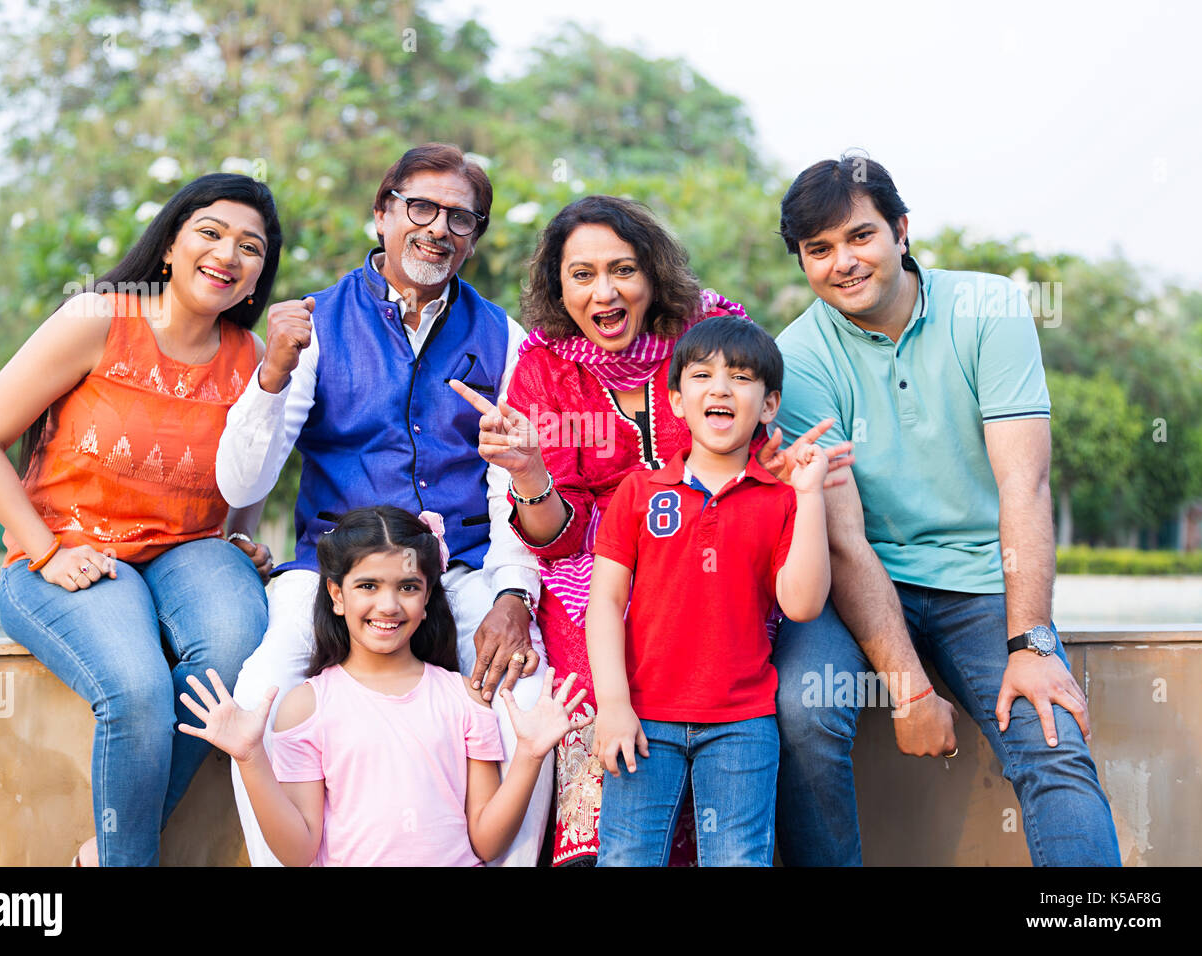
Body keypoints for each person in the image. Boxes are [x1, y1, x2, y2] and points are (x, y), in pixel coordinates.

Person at [771, 153, 1121, 866]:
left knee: (1050, 735)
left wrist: (1030, 643)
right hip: (860, 587)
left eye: (860, 236)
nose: (844, 261)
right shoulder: (797, 357)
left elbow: (1024, 485)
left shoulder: (989, 308)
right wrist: (909, 689)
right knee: (801, 714)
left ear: (901, 231)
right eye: (820, 249)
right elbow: (845, 543)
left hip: (983, 586)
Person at [215, 144, 551, 867]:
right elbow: (242, 485)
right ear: (382, 213)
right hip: (330, 566)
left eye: (462, 217)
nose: (439, 229)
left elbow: (507, 487)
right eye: (420, 207)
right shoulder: (311, 326)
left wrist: (515, 594)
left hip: (459, 564)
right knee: (261, 693)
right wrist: (271, 373)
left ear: (476, 236)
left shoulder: (506, 339)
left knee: (530, 696)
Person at [0, 173, 281, 866]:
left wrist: (241, 540)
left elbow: (246, 470)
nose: (228, 254)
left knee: (235, 649)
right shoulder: (100, 318)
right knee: (137, 690)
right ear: (169, 244)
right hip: (68, 548)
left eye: (250, 247)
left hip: (187, 551)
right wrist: (45, 550)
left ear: (258, 278)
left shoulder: (250, 359)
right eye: (211, 232)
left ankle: (107, 851)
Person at [451, 194, 750, 865]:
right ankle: (601, 850)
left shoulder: (709, 335)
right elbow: (555, 538)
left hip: (712, 557)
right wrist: (530, 472)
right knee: (587, 663)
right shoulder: (543, 365)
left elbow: (745, 461)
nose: (605, 291)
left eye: (622, 270)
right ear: (560, 287)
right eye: (582, 274)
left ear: (654, 274)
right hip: (589, 575)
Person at [178, 506, 591, 866]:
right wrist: (251, 757)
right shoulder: (306, 707)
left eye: (408, 587)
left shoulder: (465, 698)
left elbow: (486, 840)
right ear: (337, 595)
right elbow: (299, 850)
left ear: (428, 597)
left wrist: (530, 756)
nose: (389, 605)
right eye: (368, 586)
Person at [585, 316, 849, 866]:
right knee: (626, 857)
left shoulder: (780, 500)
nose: (721, 388)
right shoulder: (640, 491)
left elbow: (801, 604)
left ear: (769, 404)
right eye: (702, 376)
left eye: (742, 377)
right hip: (642, 718)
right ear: (677, 400)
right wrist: (611, 704)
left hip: (741, 724)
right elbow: (605, 602)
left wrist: (808, 497)